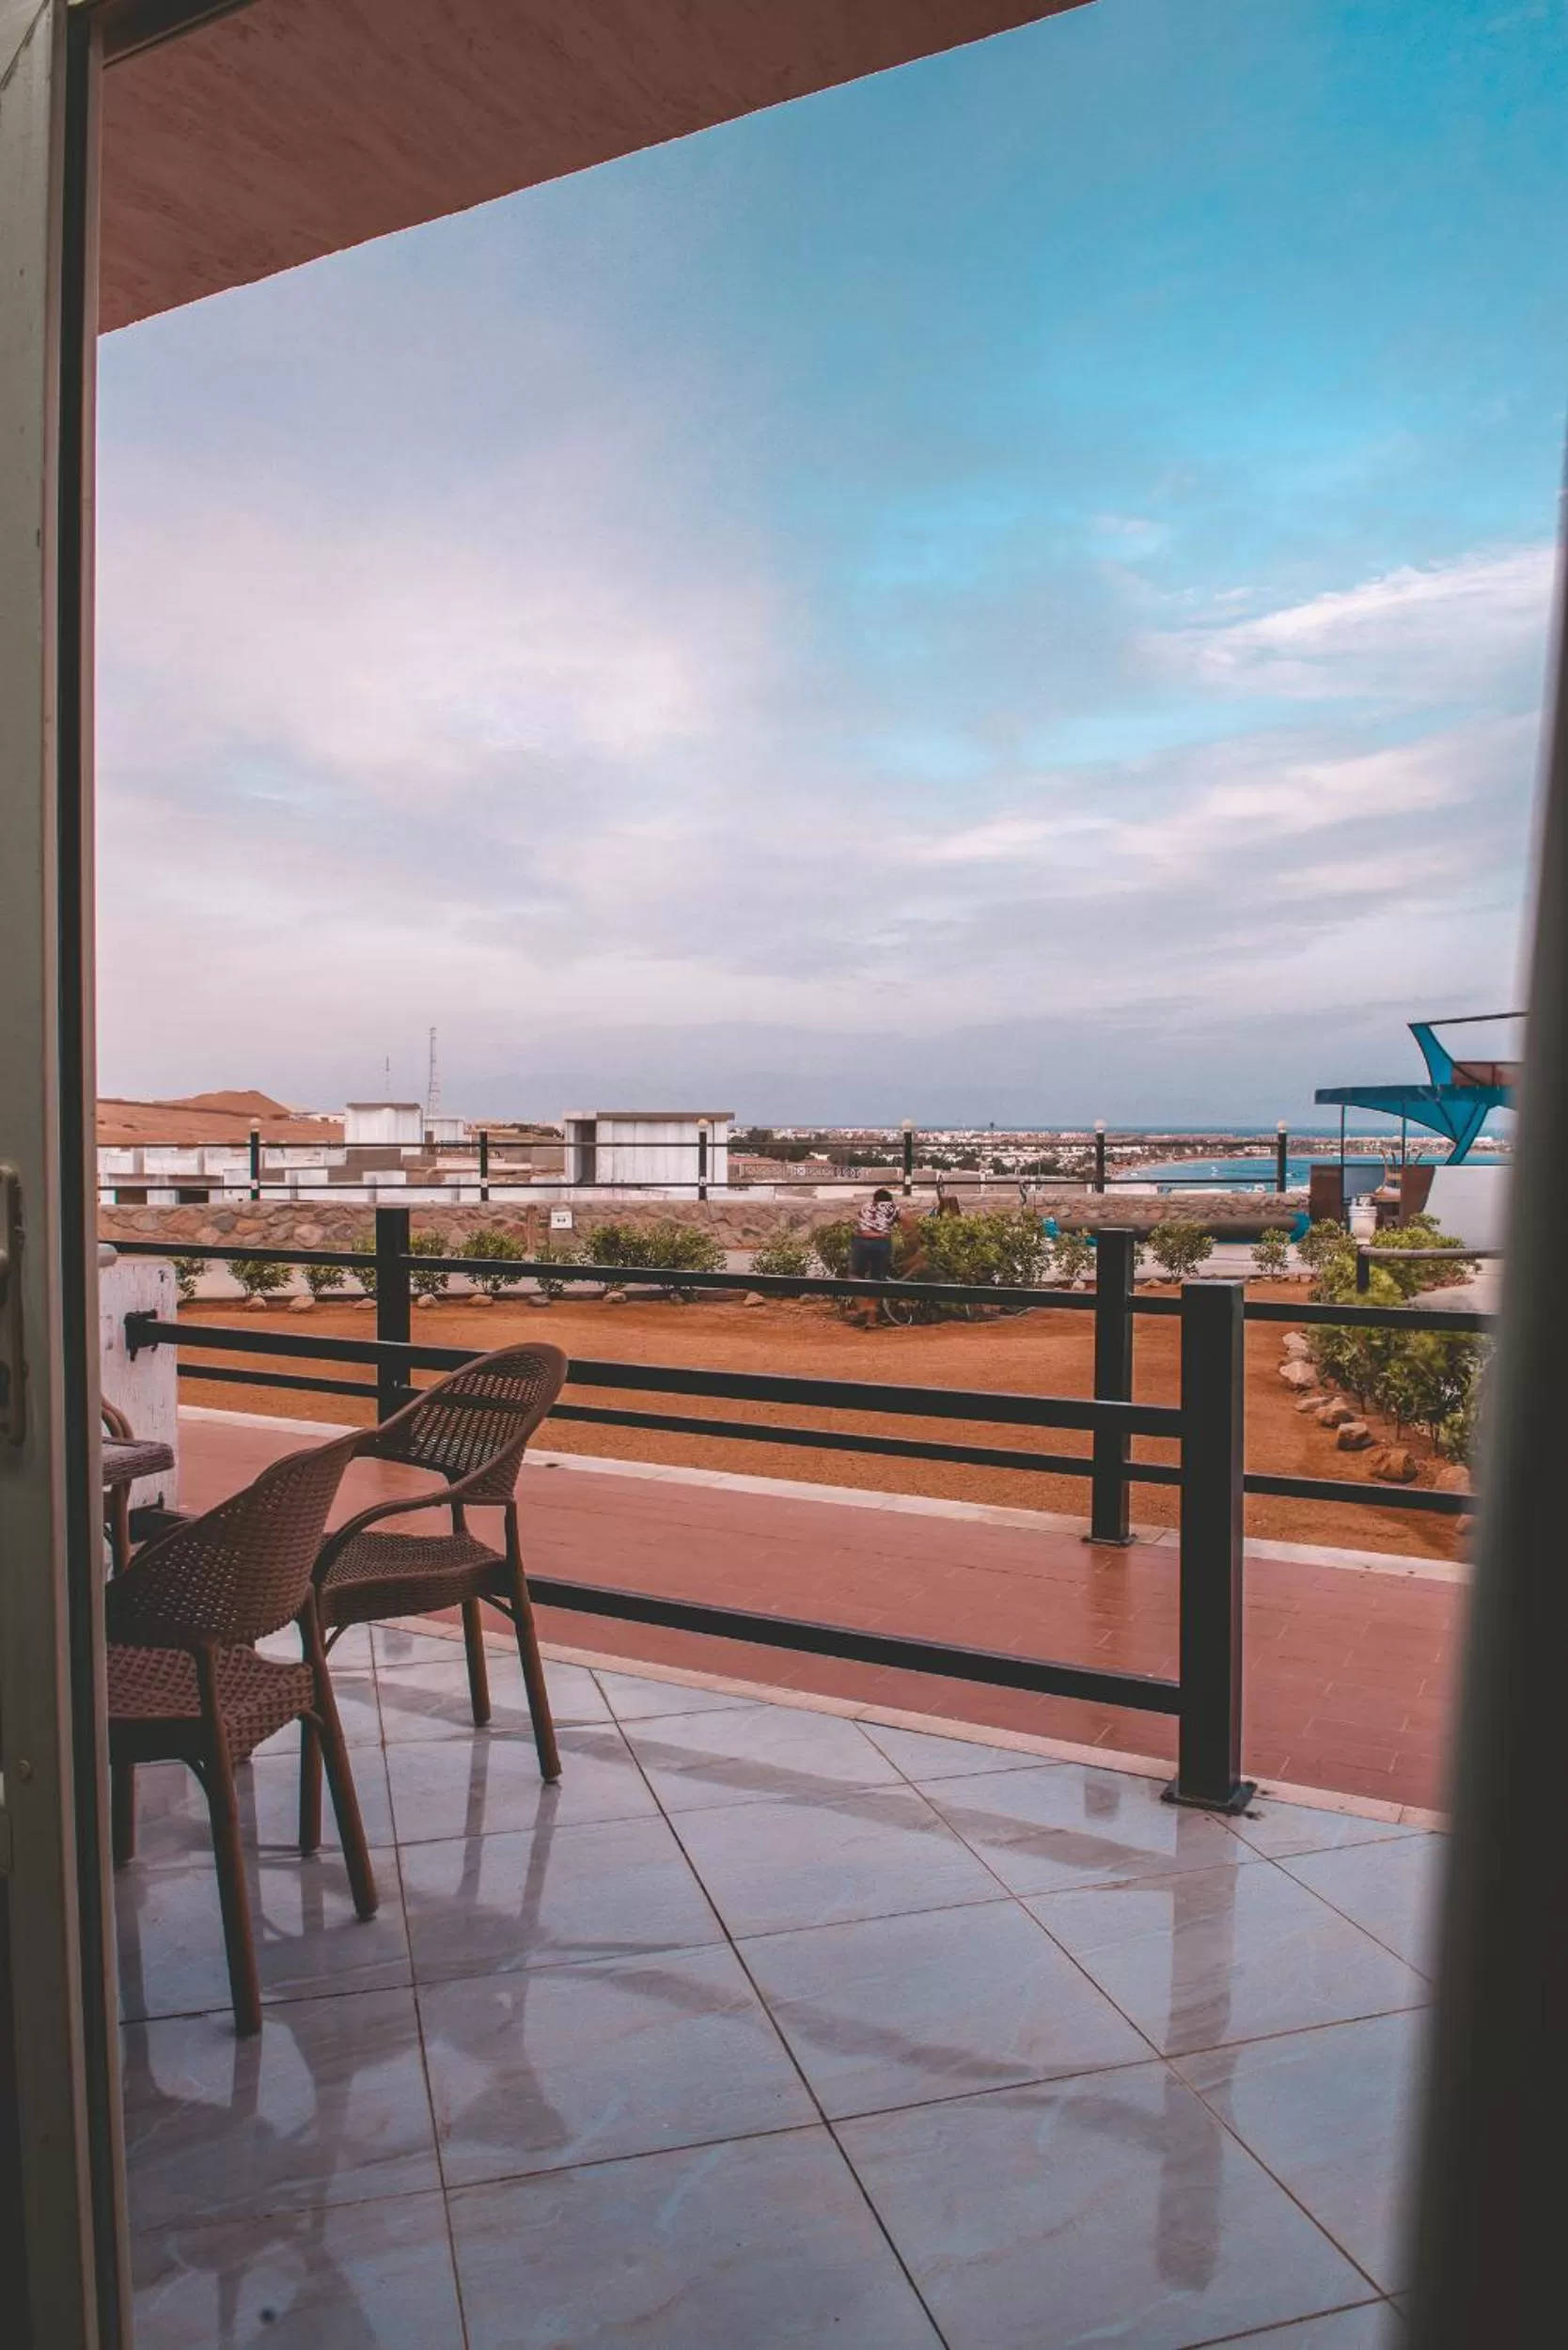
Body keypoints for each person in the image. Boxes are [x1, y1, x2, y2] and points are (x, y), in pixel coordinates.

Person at [849, 1187, 902, 1326]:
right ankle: (871, 1319)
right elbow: (906, 1219)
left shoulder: (866, 1206)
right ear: (889, 1200)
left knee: (855, 1275)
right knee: (878, 1279)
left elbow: (858, 1225)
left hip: (862, 1240)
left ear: (874, 1199)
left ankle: (862, 1306)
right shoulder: (892, 1207)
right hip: (882, 1242)